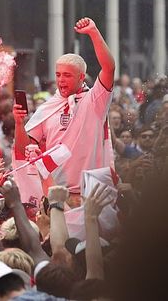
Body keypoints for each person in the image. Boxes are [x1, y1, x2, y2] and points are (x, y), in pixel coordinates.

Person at [13, 17, 115, 203]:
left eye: (67, 75)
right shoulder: (47, 108)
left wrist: (93, 32)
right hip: (54, 197)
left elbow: (109, 68)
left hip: (89, 196)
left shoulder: (95, 100)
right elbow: (23, 151)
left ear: (81, 77)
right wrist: (19, 123)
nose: (60, 80)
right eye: (58, 75)